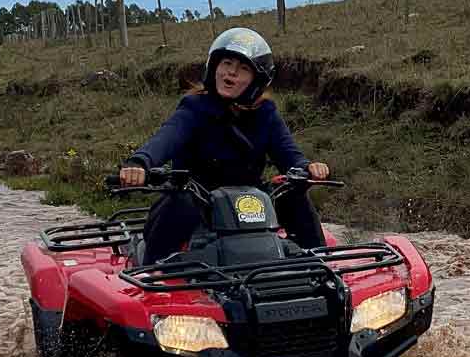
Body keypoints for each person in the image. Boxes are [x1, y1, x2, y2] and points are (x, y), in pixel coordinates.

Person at [118, 27, 330, 262]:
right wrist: (140, 162)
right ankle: (151, 272)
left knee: (294, 195)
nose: (231, 73)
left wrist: (307, 167)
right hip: (197, 200)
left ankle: (320, 267)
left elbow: (288, 152)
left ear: (256, 81)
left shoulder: (265, 113)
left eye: (243, 69)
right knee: (181, 203)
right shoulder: (194, 107)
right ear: (214, 67)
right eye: (227, 64)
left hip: (250, 204)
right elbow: (167, 137)